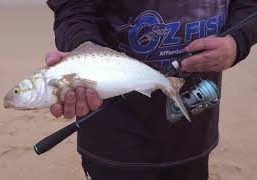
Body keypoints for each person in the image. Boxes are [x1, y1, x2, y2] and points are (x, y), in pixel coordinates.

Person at [45, 0, 257, 179]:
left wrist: (237, 40)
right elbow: (73, 7)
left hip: (194, 131)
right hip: (114, 139)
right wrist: (84, 47)